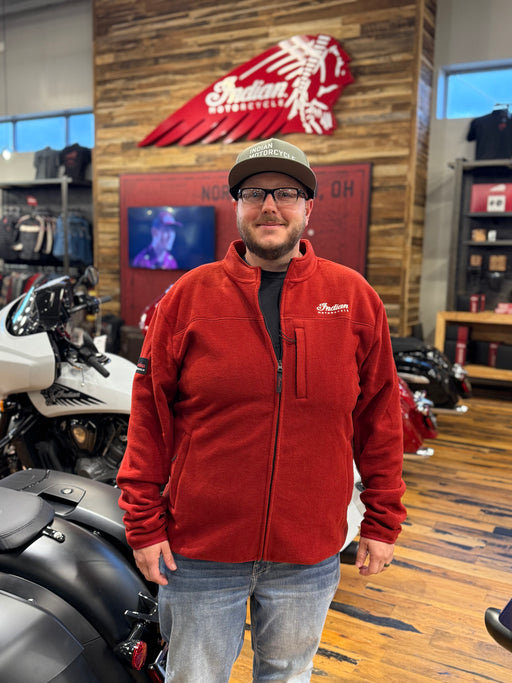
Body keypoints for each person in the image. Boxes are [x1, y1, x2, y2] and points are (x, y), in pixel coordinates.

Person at [117, 137, 407, 682]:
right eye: (254, 193)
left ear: (308, 208)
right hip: (200, 552)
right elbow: (149, 418)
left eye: (286, 193)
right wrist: (144, 524)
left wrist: (383, 519)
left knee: (287, 675)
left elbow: (379, 419)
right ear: (237, 206)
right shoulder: (188, 297)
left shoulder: (353, 298)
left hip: (307, 552)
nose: (270, 206)